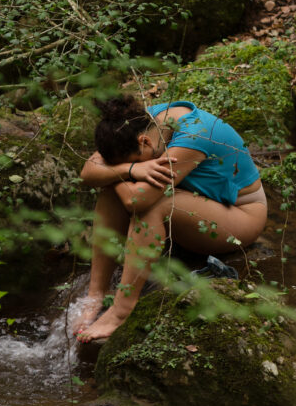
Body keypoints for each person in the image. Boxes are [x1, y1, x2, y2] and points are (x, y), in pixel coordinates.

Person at [74, 95, 268, 343]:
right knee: (111, 191)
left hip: (241, 215)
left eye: (133, 160)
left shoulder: (193, 136)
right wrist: (129, 169)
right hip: (194, 201)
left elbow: (136, 201)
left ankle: (122, 311)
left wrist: (112, 175)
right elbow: (87, 171)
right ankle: (95, 294)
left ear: (144, 142)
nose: (132, 167)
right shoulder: (134, 123)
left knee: (154, 205)